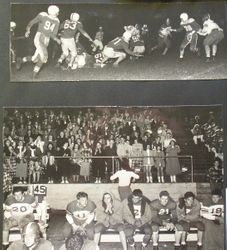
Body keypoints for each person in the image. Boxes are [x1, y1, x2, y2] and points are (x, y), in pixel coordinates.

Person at [16, 5, 61, 78]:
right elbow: (32, 22)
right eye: (57, 12)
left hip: (47, 39)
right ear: (53, 12)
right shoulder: (43, 15)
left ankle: (20, 60)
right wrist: (28, 30)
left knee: (35, 58)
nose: (58, 14)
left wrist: (56, 39)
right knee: (44, 56)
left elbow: (52, 34)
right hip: (40, 36)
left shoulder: (57, 21)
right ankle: (34, 74)